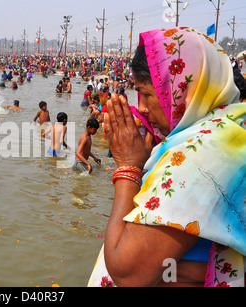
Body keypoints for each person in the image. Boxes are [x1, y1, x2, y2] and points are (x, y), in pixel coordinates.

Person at [88, 27, 246, 287]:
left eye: (148, 94)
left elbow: (127, 271)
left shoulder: (205, 154)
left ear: (183, 90)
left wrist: (129, 167)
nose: (141, 107)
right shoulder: (231, 127)